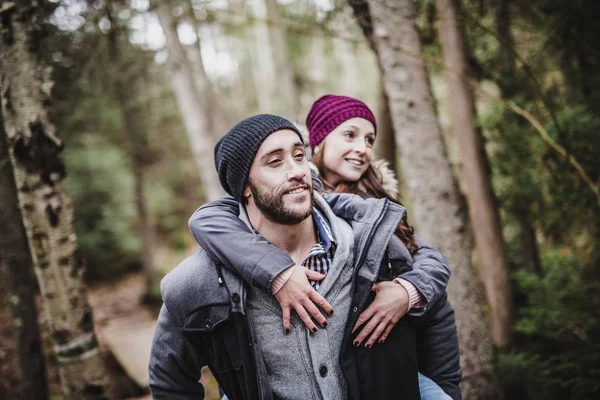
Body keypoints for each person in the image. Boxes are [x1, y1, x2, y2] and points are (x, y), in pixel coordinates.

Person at [188, 96, 461, 400]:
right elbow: (206, 219)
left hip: (388, 369)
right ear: (318, 143)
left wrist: (406, 290)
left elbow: (429, 259)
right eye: (349, 135)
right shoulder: (290, 194)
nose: (362, 147)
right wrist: (278, 272)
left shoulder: (377, 205)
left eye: (370, 139)